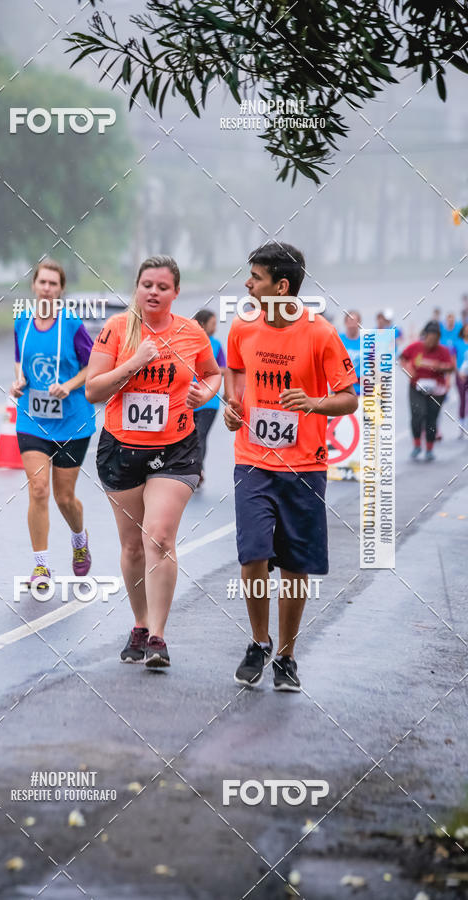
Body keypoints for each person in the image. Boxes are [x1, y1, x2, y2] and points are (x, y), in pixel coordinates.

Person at [224, 242, 358, 691]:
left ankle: (285, 655)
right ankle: (259, 643)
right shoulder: (242, 329)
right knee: (254, 554)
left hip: (304, 466)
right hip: (253, 460)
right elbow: (236, 372)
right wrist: (233, 403)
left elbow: (349, 396)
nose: (247, 284)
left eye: (256, 277)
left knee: (295, 565)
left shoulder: (319, 334)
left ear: (281, 286)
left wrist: (315, 403)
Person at [86, 256, 221, 668]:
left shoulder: (191, 331)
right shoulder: (116, 330)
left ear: (176, 292)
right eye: (147, 284)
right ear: (137, 287)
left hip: (176, 449)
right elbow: (93, 390)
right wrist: (135, 362)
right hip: (121, 449)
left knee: (159, 537)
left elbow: (213, 373)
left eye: (162, 286)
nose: (153, 292)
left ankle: (159, 637)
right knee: (131, 545)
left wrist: (206, 393)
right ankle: (140, 624)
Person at [11, 260, 95, 589]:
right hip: (32, 419)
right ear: (34, 286)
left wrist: (70, 385)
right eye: (42, 282)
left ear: (61, 290)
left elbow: (92, 367)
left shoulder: (72, 325)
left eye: (53, 283)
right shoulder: (22, 323)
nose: (47, 288)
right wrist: (18, 381)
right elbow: (21, 361)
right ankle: (41, 566)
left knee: (64, 497)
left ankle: (78, 538)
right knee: (38, 490)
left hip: (72, 421)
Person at [399, 321, 455, 461]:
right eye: (430, 338)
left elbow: (451, 367)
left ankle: (429, 448)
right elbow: (402, 358)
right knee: (418, 414)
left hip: (436, 390)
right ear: (425, 335)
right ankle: (417, 445)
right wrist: (407, 368)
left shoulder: (443, 350)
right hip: (416, 386)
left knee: (431, 418)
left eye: (435, 339)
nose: (432, 342)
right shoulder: (415, 347)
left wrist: (440, 367)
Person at [191, 309, 226, 483]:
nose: (216, 327)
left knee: (200, 435)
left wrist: (209, 369)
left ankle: (198, 471)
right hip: (188, 399)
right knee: (188, 436)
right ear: (203, 324)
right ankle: (188, 470)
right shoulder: (189, 342)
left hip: (210, 401)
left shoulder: (217, 344)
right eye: (213, 323)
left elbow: (225, 369)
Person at [338, 310, 362, 395]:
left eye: (355, 322)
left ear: (359, 323)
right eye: (349, 322)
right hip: (342, 390)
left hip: (361, 390)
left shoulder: (366, 341)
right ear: (345, 323)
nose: (352, 325)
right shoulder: (338, 339)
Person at [454, 323, 468, 436]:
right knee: (462, 399)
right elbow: (453, 359)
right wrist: (458, 373)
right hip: (461, 375)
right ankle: (462, 426)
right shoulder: (458, 343)